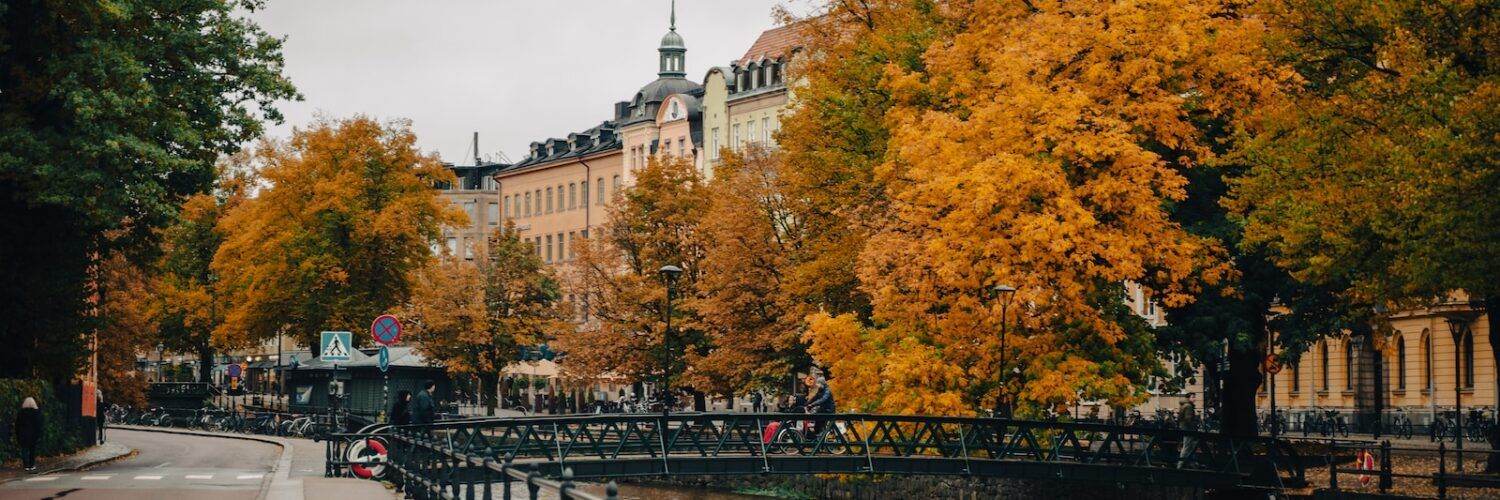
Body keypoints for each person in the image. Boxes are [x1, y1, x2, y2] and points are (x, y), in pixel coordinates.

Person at [14, 397, 41, 471]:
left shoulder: (21, 412)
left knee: (24, 449)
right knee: (32, 450)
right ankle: (32, 465)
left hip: (23, 434)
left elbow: (17, 424)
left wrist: (17, 434)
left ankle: (26, 465)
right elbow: (38, 424)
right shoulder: (36, 412)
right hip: (33, 434)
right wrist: (38, 434)